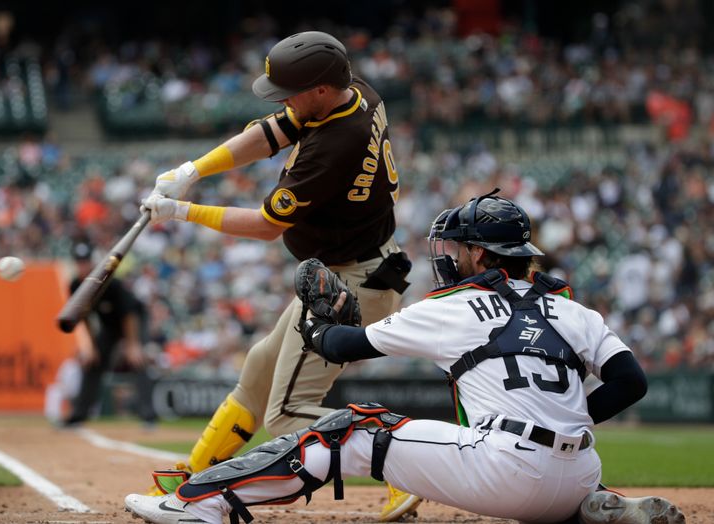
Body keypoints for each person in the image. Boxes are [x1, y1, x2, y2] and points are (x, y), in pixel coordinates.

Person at [124, 190, 685, 524]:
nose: (448, 256)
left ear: (480, 254)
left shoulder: (455, 305)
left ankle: (199, 502)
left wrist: (317, 324)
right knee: (553, 475)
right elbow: (631, 382)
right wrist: (571, 422)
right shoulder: (571, 308)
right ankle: (592, 509)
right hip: (582, 470)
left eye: (456, 247)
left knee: (351, 427)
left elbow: (349, 346)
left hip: (506, 470)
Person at [139, 30, 420, 521]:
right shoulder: (354, 92)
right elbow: (272, 132)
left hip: (350, 283)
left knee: (288, 413)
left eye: (291, 91)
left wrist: (183, 211)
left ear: (319, 90)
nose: (284, 101)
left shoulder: (334, 145)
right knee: (260, 366)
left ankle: (409, 465)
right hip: (348, 270)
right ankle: (197, 475)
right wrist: (196, 168)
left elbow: (269, 226)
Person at [61, 241, 158, 427]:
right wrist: (90, 346)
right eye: (79, 262)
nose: (82, 266)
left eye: (85, 261)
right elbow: (84, 318)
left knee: (138, 361)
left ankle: (148, 416)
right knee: (91, 362)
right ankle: (78, 415)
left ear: (92, 262)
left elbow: (129, 314)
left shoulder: (108, 282)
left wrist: (132, 344)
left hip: (134, 323)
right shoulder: (75, 286)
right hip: (110, 327)